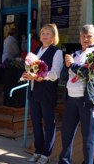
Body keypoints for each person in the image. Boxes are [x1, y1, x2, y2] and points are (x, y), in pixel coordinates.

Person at [58, 24, 94, 164]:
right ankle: (64, 161)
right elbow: (63, 77)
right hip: (71, 99)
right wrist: (66, 66)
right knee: (66, 133)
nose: (85, 39)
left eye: (89, 36)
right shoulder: (75, 54)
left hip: (88, 101)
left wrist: (72, 66)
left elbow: (90, 74)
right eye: (83, 36)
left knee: (88, 137)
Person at [21, 24, 63, 164]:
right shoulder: (37, 50)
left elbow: (55, 73)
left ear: (53, 37)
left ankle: (46, 154)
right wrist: (27, 74)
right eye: (43, 33)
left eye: (48, 33)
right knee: (36, 123)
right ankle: (38, 151)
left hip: (46, 92)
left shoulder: (56, 52)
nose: (45, 35)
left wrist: (39, 77)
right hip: (34, 91)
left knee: (48, 124)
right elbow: (32, 68)